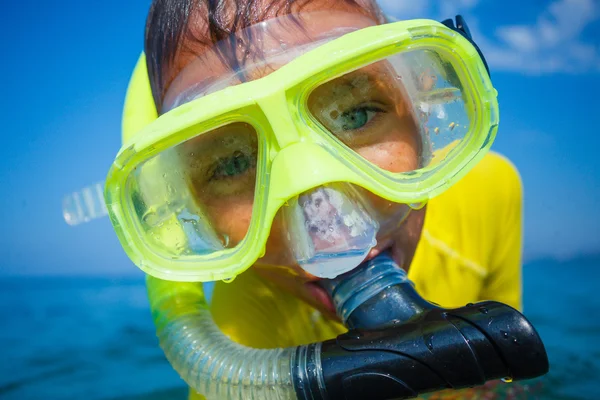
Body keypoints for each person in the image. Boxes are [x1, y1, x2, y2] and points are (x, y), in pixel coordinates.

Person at [109, 0, 524, 398]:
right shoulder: (243, 341)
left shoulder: (490, 192)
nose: (330, 234)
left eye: (356, 115)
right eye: (233, 164)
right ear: (188, 205)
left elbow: (506, 378)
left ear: (421, 109)